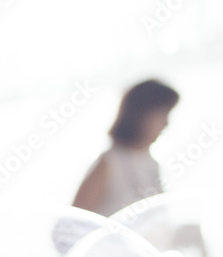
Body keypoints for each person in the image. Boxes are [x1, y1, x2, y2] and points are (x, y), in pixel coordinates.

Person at [73, 79, 179, 217]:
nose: (166, 124)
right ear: (141, 115)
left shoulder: (151, 164)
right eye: (162, 115)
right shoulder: (108, 164)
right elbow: (68, 227)